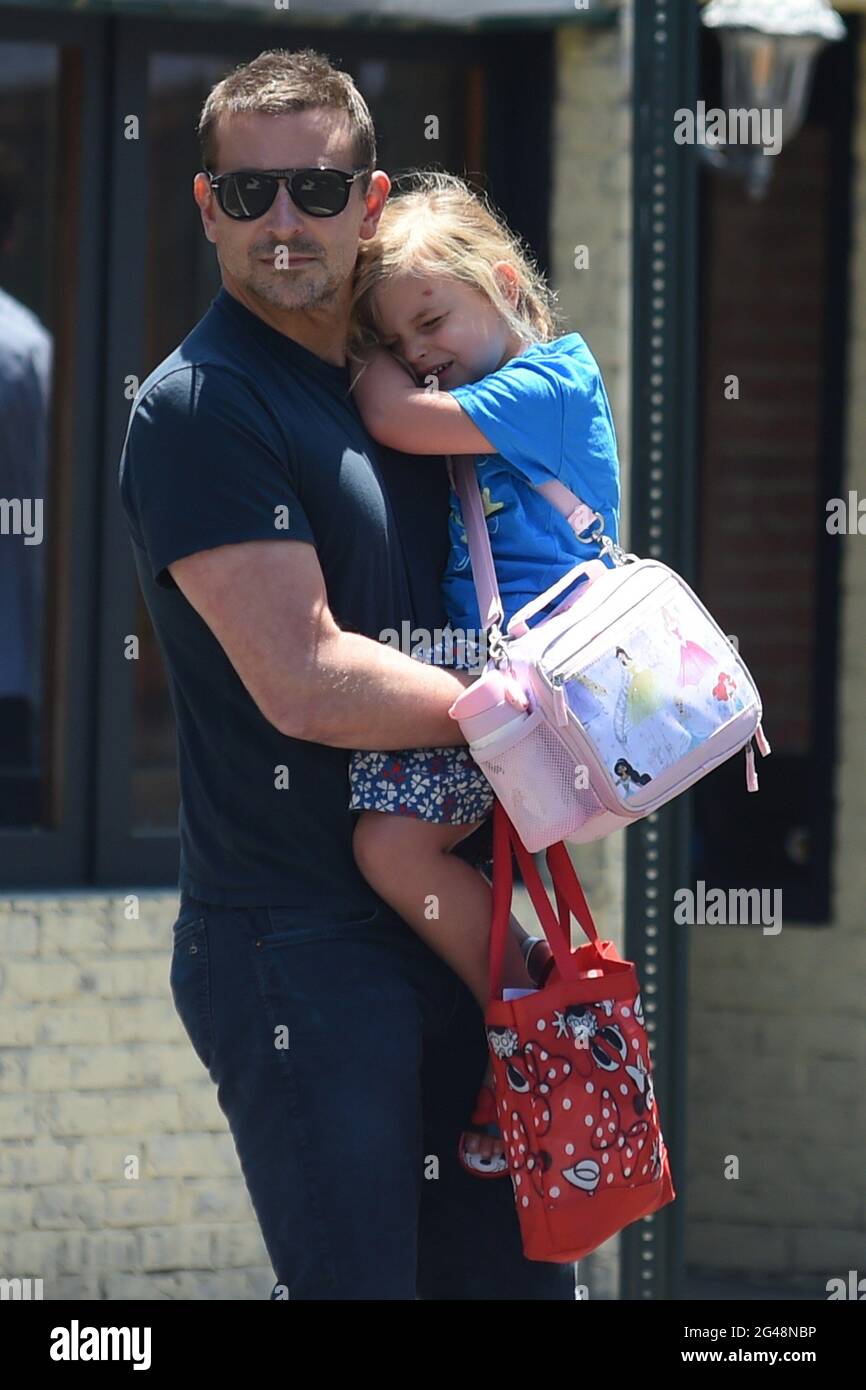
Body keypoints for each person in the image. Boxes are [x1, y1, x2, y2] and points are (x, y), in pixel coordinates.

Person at [117, 46, 577, 1300]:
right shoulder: (203, 407)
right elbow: (307, 681)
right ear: (206, 206)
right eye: (250, 193)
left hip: (459, 926)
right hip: (298, 947)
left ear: (367, 205)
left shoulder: (410, 393)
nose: (283, 223)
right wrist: (557, 723)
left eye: (316, 194)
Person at [345, 172, 621, 1176]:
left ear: (503, 282)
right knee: (415, 848)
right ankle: (527, 1018)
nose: (419, 351)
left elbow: (395, 421)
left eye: (429, 319)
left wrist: (367, 357)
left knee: (391, 848)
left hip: (544, 692)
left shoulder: (551, 384)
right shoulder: (491, 396)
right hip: (517, 688)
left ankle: (518, 1013)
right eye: (400, 335)